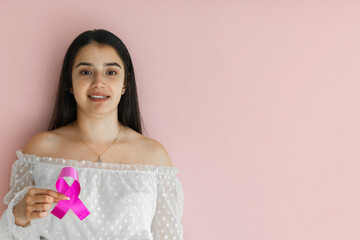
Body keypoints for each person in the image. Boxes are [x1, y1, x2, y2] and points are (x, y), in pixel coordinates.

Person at [0, 29, 184, 239]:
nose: (98, 82)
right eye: (86, 72)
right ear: (70, 82)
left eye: (111, 72)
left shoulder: (154, 157)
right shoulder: (40, 151)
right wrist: (19, 216)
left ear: (125, 84)